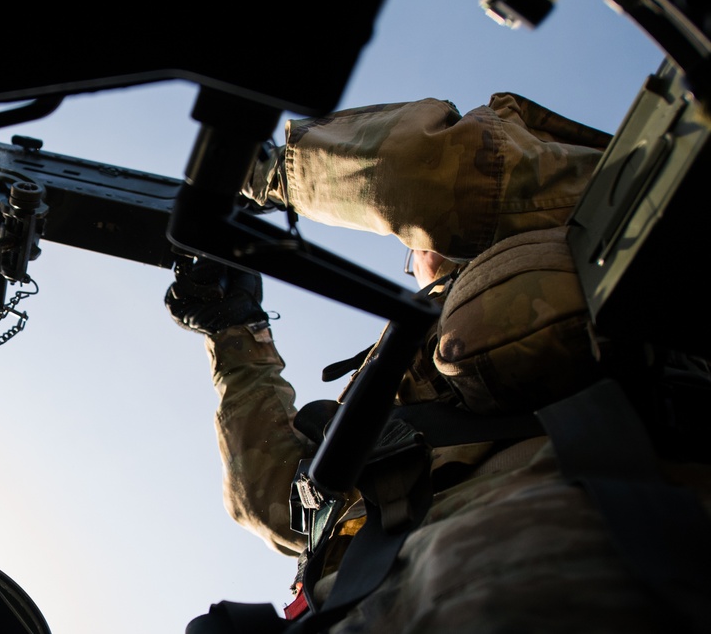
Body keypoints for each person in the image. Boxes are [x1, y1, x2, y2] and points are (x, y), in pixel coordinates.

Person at [165, 93, 711, 633]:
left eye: (412, 248)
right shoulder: (392, 379)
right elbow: (278, 503)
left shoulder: (587, 213)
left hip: (558, 522)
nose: (416, 257)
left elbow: (435, 168)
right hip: (364, 593)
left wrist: (264, 173)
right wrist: (235, 329)